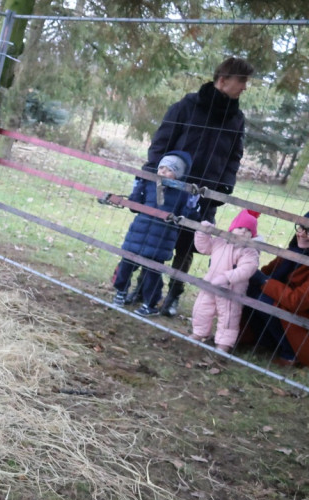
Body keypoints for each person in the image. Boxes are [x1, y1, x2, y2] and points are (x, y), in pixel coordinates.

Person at [141, 56, 255, 318]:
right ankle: (144, 289)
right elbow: (161, 142)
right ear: (223, 80)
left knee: (188, 244)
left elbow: (234, 157)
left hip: (205, 194)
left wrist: (223, 188)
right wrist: (153, 174)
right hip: (171, 187)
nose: (245, 87)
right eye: (241, 81)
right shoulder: (187, 106)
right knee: (157, 237)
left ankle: (173, 294)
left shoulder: (236, 119)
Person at [112, 151, 197, 316]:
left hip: (161, 240)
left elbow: (187, 217)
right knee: (125, 265)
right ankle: (120, 291)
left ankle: (150, 304)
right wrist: (137, 186)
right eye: (161, 168)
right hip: (138, 234)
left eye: (169, 169)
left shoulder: (182, 193)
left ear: (179, 174)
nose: (163, 172)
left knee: (152, 274)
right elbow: (134, 205)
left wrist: (192, 205)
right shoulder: (150, 185)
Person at [243, 213, 309, 367]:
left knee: (264, 299)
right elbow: (267, 272)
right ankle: (264, 340)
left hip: (301, 319)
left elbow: (296, 302)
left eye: (308, 231)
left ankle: (291, 354)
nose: (301, 234)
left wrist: (264, 281)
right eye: (301, 227)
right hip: (286, 310)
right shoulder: (293, 252)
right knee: (251, 290)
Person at [189, 209, 260, 353]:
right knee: (202, 308)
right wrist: (203, 232)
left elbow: (247, 269)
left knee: (229, 317)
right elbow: (204, 248)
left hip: (231, 289)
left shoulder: (249, 251)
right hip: (211, 283)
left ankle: (223, 344)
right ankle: (199, 333)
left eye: (248, 230)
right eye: (240, 227)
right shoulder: (220, 241)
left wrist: (227, 277)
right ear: (232, 228)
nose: (243, 232)